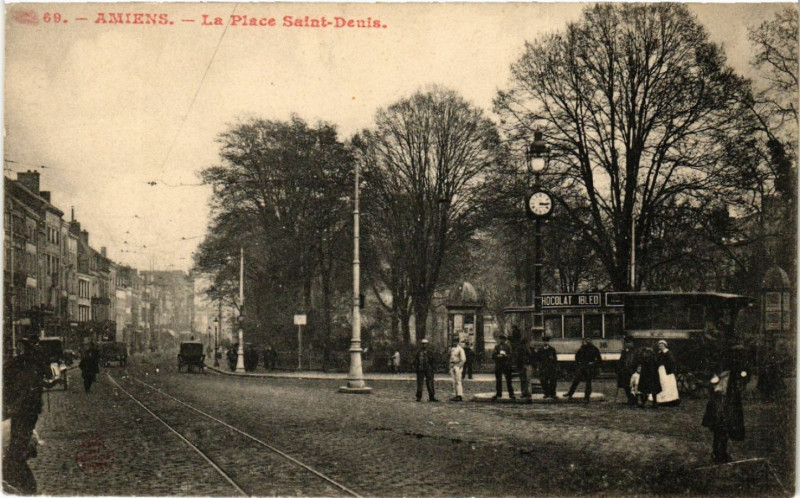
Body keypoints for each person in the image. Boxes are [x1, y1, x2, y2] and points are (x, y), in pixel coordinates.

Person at [3, 335, 54, 494]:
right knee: (21, 435)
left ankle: (15, 460)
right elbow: (49, 378)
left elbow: (5, 376)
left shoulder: (15, 362)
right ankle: (15, 465)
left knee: (17, 434)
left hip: (17, 407)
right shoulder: (38, 361)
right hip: (29, 406)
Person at [702, 344, 748, 463]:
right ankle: (719, 453)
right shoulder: (729, 368)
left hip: (726, 401)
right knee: (722, 427)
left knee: (721, 428)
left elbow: (742, 380)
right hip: (724, 401)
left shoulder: (735, 368)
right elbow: (714, 383)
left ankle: (719, 452)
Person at [564, 337, 601, 402]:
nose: (586, 341)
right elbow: (576, 356)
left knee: (588, 383)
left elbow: (599, 359)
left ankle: (586, 398)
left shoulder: (594, 349)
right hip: (581, 367)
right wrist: (578, 363)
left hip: (589, 368)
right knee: (576, 380)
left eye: (588, 340)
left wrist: (593, 363)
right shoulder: (581, 348)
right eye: (585, 340)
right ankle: (570, 393)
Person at [655, 340, 680, 406]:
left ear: (665, 346)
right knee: (661, 384)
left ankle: (670, 400)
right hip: (660, 370)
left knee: (668, 384)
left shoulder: (668, 353)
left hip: (667, 371)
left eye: (662, 345)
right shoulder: (659, 353)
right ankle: (661, 400)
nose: (660, 347)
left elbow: (672, 361)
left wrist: (668, 367)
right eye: (659, 346)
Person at [492, 334, 514, 401]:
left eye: (503, 339)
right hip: (498, 365)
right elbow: (493, 355)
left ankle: (511, 393)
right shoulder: (497, 347)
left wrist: (505, 356)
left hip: (506, 365)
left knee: (509, 380)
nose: (501, 340)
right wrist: (498, 356)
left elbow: (511, 355)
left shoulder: (508, 347)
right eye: (500, 339)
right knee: (498, 380)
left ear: (505, 340)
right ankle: (499, 393)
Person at [617, 336, 638, 405]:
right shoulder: (624, 352)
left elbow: (634, 362)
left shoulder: (634, 352)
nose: (627, 344)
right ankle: (630, 399)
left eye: (629, 342)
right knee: (626, 386)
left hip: (631, 371)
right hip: (624, 371)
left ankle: (633, 399)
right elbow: (621, 361)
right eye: (626, 343)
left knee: (632, 386)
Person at [511, 326, 530, 398]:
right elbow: (518, 358)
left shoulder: (527, 349)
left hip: (526, 365)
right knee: (523, 379)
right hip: (522, 365)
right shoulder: (521, 350)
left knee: (526, 379)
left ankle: (526, 392)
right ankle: (524, 392)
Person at [448, 337, 467, 401]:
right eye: (453, 341)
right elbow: (451, 358)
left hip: (457, 365)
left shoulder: (460, 349)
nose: (454, 343)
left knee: (458, 380)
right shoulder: (452, 349)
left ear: (458, 342)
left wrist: (460, 366)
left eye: (456, 341)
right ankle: (456, 395)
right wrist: (450, 366)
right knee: (454, 381)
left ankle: (459, 395)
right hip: (452, 365)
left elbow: (463, 359)